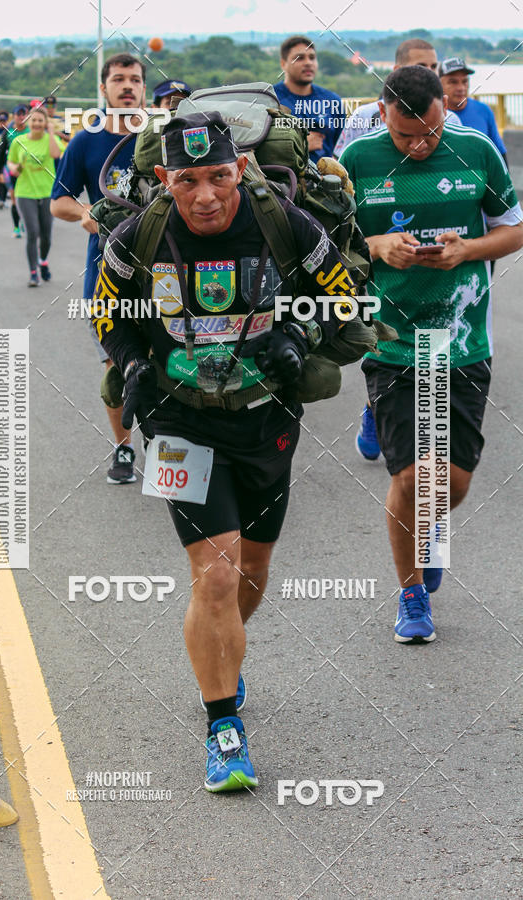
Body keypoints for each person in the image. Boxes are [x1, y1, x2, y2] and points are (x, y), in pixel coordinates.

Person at [91, 111, 355, 790]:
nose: (205, 195)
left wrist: (299, 338)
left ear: (239, 167)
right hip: (179, 422)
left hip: (267, 418)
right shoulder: (139, 235)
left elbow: (345, 301)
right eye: (187, 181)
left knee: (250, 574)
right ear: (163, 179)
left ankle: (221, 650)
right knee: (214, 574)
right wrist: (130, 359)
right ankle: (222, 726)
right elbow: (105, 311)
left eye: (217, 177)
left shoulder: (286, 225)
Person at [339, 66, 523, 643]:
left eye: (432, 131)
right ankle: (412, 593)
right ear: (381, 112)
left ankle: (431, 525)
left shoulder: (477, 150)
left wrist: (467, 248)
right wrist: (375, 246)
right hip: (391, 342)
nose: (420, 145)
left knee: (455, 483)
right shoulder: (358, 163)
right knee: (415, 476)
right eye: (406, 136)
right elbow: (325, 249)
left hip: (462, 341)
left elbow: (513, 229)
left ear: (446, 109)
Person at [334, 38, 460, 464]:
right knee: (386, 337)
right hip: (380, 251)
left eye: (434, 67)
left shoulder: (456, 118)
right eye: (422, 65)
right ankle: (377, 407)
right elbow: (341, 189)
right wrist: (372, 245)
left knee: (435, 356)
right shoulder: (362, 126)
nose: (431, 71)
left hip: (444, 248)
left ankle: (426, 452)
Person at [51, 52, 144, 485]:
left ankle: (171, 448)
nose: (128, 86)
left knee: (175, 360)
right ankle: (124, 447)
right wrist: (86, 212)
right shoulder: (86, 140)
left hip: (166, 278)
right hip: (105, 276)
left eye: (135, 80)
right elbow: (59, 201)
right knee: (116, 366)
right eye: (119, 79)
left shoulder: (162, 137)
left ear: (144, 89)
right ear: (104, 90)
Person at [7, 107, 64, 286]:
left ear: (45, 122)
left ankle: (43, 261)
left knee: (46, 235)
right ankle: (33, 273)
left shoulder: (51, 139)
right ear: (28, 122)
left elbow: (56, 155)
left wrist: (52, 132)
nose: (37, 123)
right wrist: (13, 168)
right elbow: (11, 161)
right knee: (33, 232)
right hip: (25, 192)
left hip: (47, 192)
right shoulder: (19, 141)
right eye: (34, 120)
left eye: (40, 120)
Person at [274, 35, 344, 161]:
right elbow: (259, 150)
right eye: (299, 58)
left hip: (326, 177)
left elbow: (341, 148)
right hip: (283, 178)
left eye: (312, 57)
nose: (308, 63)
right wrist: (301, 144)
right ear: (283, 64)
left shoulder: (332, 101)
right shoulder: (271, 99)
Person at [439, 57, 508, 161]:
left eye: (465, 81)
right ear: (439, 84)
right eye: (453, 82)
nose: (461, 88)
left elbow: (498, 151)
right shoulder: (433, 115)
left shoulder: (483, 110)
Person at [0, 105, 29, 237]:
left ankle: (25, 221)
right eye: (18, 114)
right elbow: (1, 153)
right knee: (14, 197)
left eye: (23, 114)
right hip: (11, 170)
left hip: (28, 171)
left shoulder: (31, 131)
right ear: (13, 116)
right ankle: (16, 227)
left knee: (27, 198)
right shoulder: (8, 132)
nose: (21, 117)